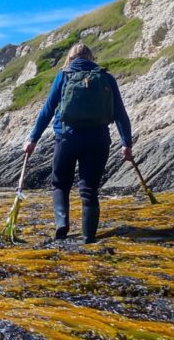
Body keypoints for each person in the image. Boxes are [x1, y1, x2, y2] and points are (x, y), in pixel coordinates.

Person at [23, 43, 132, 244]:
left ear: (70, 58)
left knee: (60, 183)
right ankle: (88, 236)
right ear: (91, 57)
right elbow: (120, 113)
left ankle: (62, 225)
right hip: (98, 139)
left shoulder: (63, 75)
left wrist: (33, 139)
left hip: (67, 138)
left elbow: (47, 110)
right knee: (89, 188)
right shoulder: (106, 78)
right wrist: (126, 143)